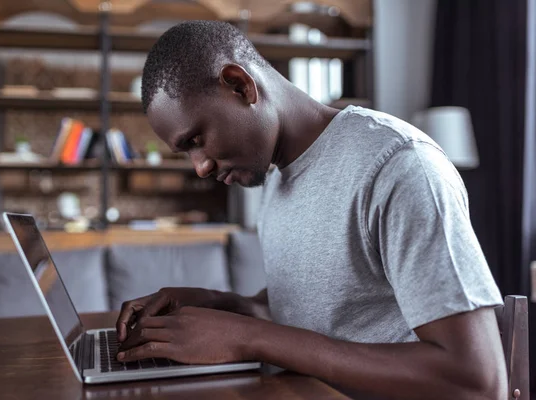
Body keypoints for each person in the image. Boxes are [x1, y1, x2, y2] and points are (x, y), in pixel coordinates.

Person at [115, 20, 506, 400]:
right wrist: (225, 306)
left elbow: (477, 381)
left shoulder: (397, 165)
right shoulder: (277, 181)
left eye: (196, 139)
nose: (200, 167)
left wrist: (250, 338)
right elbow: (319, 317)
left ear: (240, 85)